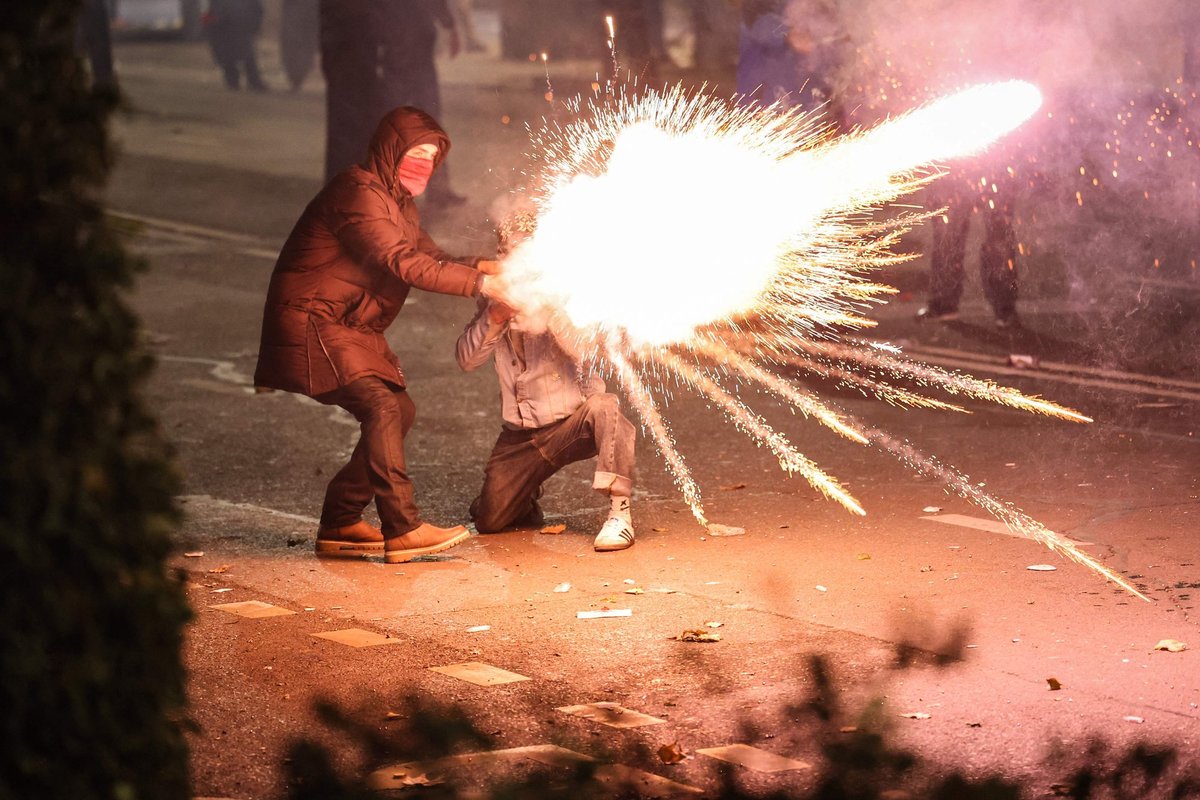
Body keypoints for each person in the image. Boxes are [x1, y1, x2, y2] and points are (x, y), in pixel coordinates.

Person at [254, 107, 500, 563]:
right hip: (312, 320)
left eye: (431, 156)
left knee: (398, 410)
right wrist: (482, 285)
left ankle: (341, 521)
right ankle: (402, 528)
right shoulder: (358, 193)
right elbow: (403, 263)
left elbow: (431, 254)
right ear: (390, 151)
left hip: (344, 323)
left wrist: (486, 265)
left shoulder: (397, 203)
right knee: (382, 405)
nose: (424, 163)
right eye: (415, 152)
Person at [456, 213, 637, 552]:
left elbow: (586, 348)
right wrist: (495, 317)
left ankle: (620, 513)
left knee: (605, 407)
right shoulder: (493, 299)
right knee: (489, 520)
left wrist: (551, 311)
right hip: (521, 435)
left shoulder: (570, 293)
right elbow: (466, 359)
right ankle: (523, 495)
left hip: (573, 422)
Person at [319, 0, 467, 208]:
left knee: (418, 115)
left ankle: (431, 187)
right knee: (362, 121)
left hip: (390, 40)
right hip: (369, 43)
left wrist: (447, 22)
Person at [916, 163, 1021, 329]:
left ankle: (1005, 307)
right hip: (954, 168)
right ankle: (944, 304)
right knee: (947, 235)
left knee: (999, 237)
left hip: (995, 163)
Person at [203, 0, 267, 91]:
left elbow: (258, 10)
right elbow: (258, 10)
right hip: (236, 24)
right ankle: (251, 81)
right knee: (244, 55)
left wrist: (208, 25)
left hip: (232, 24)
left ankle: (236, 82)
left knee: (233, 55)